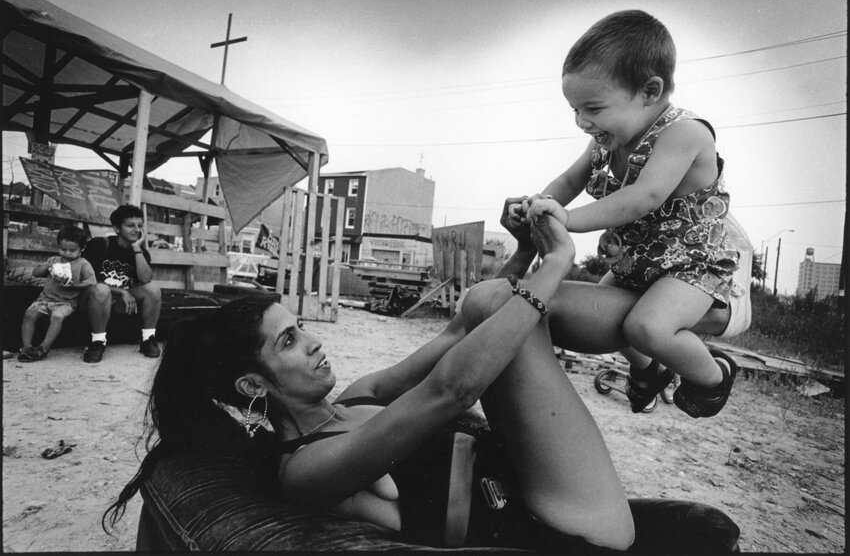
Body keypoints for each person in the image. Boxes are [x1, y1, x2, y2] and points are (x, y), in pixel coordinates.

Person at [103, 216, 741, 552]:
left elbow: (450, 341)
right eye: (289, 340)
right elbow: (449, 390)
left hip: (542, 481)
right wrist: (555, 267)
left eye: (302, 327)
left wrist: (521, 256)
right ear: (252, 385)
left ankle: (659, 346)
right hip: (568, 528)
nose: (316, 340)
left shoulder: (350, 399)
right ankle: (679, 348)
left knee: (489, 297)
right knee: (499, 302)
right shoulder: (306, 468)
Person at [508, 10, 740, 418]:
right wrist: (538, 203)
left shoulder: (685, 132)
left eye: (592, 108)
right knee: (601, 320)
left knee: (646, 327)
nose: (582, 122)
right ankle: (649, 371)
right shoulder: (607, 139)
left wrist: (567, 219)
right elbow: (567, 182)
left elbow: (644, 197)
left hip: (691, 265)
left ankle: (713, 375)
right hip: (640, 258)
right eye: (575, 110)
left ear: (650, 91)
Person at [80, 204, 162, 363]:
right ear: (117, 228)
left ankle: (147, 339)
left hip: (118, 305)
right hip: (93, 300)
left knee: (153, 289)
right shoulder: (99, 244)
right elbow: (87, 281)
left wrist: (137, 249)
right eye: (130, 225)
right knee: (101, 289)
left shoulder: (140, 252)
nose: (136, 230)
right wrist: (122, 292)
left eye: (139, 226)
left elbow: (146, 280)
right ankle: (98, 342)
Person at [18, 225, 96, 362]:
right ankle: (27, 348)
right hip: (44, 299)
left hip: (66, 302)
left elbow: (91, 282)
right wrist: (47, 266)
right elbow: (36, 273)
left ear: (82, 249)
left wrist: (75, 284)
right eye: (63, 249)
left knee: (57, 316)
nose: (66, 253)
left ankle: (43, 348)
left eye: (72, 250)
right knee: (29, 314)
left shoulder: (83, 264)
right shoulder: (54, 260)